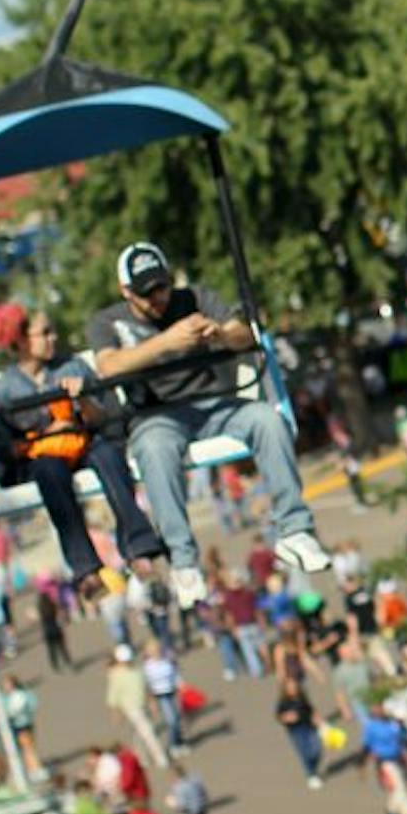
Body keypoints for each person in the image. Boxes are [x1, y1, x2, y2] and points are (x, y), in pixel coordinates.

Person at [88, 242, 328, 609]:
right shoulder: (108, 322)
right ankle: (184, 561)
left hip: (216, 403)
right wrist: (166, 342)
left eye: (161, 288)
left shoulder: (195, 297)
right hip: (158, 415)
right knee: (153, 450)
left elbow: (245, 333)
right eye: (146, 294)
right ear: (125, 292)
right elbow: (108, 366)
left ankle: (295, 530)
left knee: (268, 420)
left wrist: (219, 334)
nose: (157, 299)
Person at [0, 305, 163, 591]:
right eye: (44, 333)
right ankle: (85, 567)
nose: (53, 338)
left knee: (109, 458)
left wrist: (83, 401)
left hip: (85, 441)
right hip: (43, 455)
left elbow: (103, 417)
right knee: (49, 473)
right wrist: (42, 435)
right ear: (20, 340)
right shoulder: (3, 388)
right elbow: (2, 442)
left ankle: (139, 547)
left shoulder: (73, 367)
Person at [105, 644, 168, 768]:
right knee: (148, 731)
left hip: (142, 705)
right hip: (131, 708)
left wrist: (152, 702)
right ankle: (161, 758)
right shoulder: (116, 675)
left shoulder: (137, 670)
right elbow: (114, 696)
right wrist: (116, 713)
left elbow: (145, 687)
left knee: (138, 734)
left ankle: (142, 759)